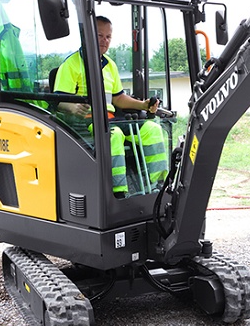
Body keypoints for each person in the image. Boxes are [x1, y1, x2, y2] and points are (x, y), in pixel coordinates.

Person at [53, 16, 169, 197]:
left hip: (112, 119)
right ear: (87, 36)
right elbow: (58, 101)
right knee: (113, 135)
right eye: (99, 35)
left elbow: (118, 99)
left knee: (153, 129)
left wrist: (144, 105)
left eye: (108, 37)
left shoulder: (109, 65)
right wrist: (73, 108)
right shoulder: (71, 64)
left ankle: (157, 185)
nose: (104, 41)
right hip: (86, 123)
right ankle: (118, 192)